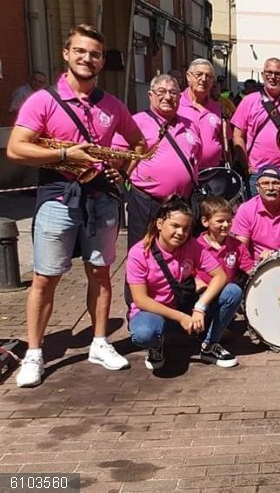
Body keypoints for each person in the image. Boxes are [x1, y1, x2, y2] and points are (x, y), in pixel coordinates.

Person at [9, 24, 147, 388]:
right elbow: (16, 148)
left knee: (100, 273)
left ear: (102, 61)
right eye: (81, 52)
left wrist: (122, 171)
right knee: (46, 277)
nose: (88, 59)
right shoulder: (43, 100)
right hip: (58, 196)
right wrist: (66, 155)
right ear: (67, 54)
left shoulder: (112, 104)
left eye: (95, 54)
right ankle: (34, 353)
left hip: (101, 197)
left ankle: (99, 342)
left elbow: (138, 143)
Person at [126, 198, 242, 371]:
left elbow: (220, 276)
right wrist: (181, 317)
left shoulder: (192, 245)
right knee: (144, 334)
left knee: (232, 291)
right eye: (175, 226)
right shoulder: (139, 253)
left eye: (186, 228)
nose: (181, 233)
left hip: (185, 305)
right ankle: (156, 345)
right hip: (154, 311)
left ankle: (209, 345)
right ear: (160, 224)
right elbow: (140, 299)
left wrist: (200, 307)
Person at [124, 74, 202, 249]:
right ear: (151, 95)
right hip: (146, 202)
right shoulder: (136, 122)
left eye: (173, 93)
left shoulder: (190, 125)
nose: (167, 97)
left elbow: (197, 156)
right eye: (161, 91)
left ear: (180, 97)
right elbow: (119, 156)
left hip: (182, 202)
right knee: (143, 250)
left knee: (180, 252)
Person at [231, 58, 280, 196]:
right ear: (263, 75)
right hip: (256, 173)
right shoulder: (249, 101)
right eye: (269, 72)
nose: (273, 77)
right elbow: (238, 136)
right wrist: (246, 165)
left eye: (278, 73)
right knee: (256, 210)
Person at [231, 165, 280, 261]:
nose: (270, 188)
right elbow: (242, 248)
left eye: (276, 183)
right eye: (265, 183)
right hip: (258, 263)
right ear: (257, 187)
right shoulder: (245, 209)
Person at [196, 196, 254, 288]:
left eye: (229, 220)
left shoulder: (237, 245)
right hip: (205, 291)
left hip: (227, 291)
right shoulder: (196, 247)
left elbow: (250, 269)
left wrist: (263, 262)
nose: (226, 224)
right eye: (220, 221)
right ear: (205, 221)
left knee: (233, 289)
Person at [178, 59, 224, 169]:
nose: (203, 79)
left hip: (213, 170)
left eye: (208, 76)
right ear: (188, 76)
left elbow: (223, 138)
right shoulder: (176, 104)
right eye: (199, 74)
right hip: (185, 171)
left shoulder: (216, 107)